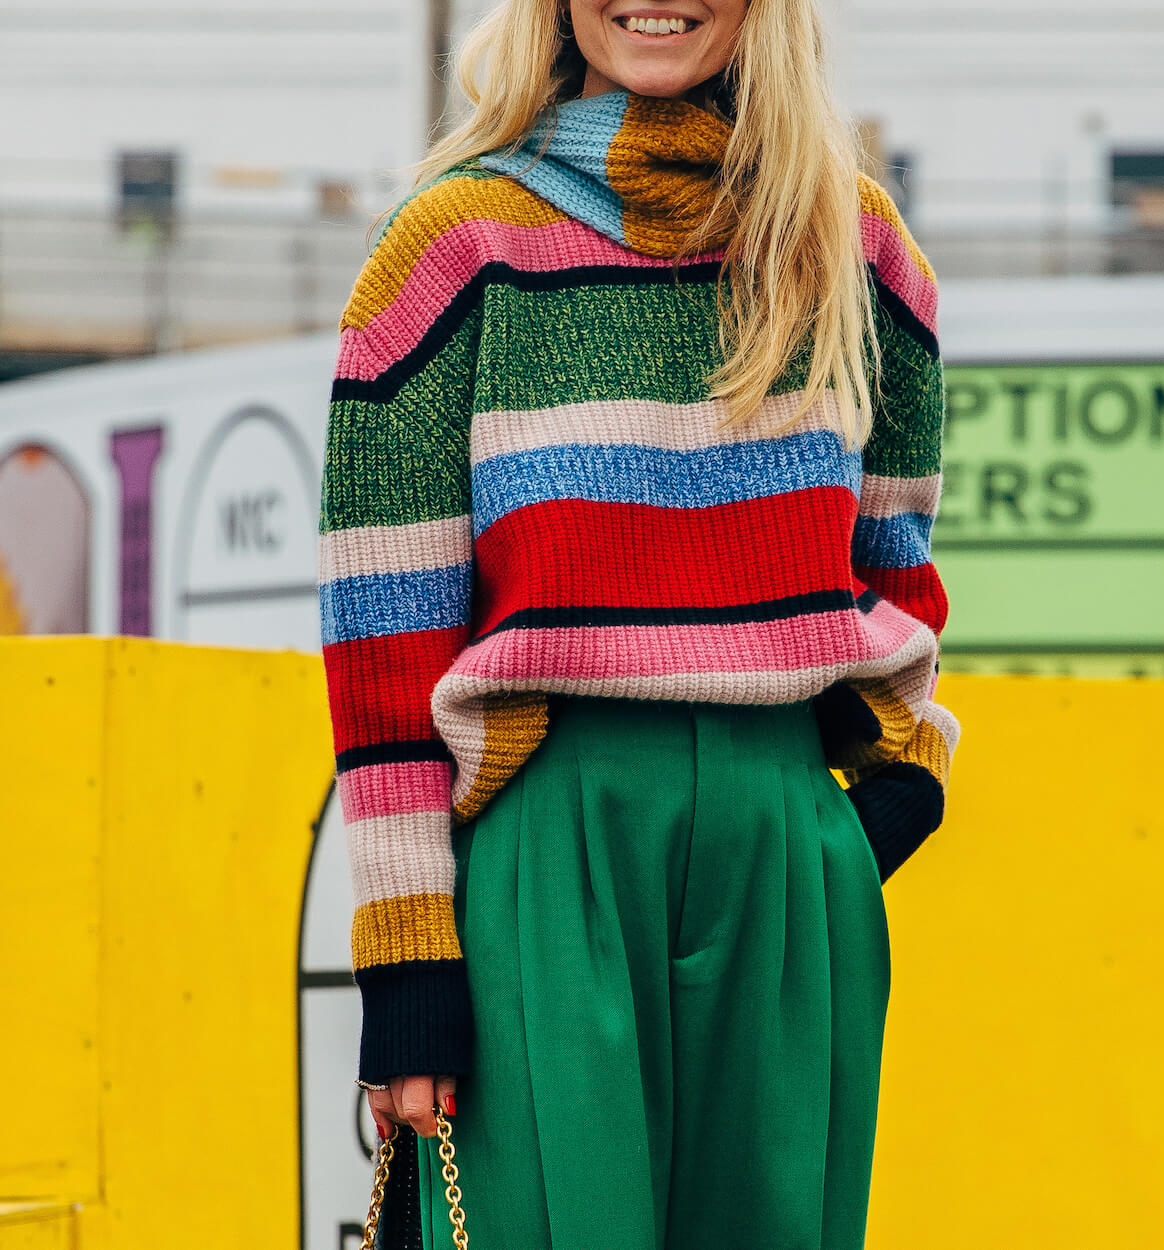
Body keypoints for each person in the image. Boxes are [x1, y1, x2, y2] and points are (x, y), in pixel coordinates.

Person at [317, 0, 958, 1244]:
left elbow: (896, 564)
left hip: (785, 836)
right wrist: (406, 960)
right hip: (551, 831)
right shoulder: (456, 243)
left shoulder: (854, 243)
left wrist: (896, 781)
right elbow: (384, 630)